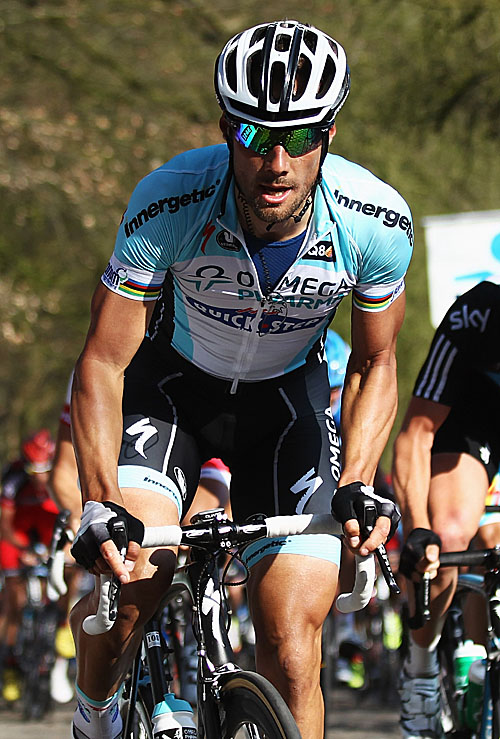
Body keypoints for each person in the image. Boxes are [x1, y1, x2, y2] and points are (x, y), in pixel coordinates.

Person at [69, 19, 412, 739]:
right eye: (256, 137)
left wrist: (361, 475)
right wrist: (100, 501)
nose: (277, 161)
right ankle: (95, 710)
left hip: (286, 407)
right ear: (227, 130)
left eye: (302, 136)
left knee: (291, 645)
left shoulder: (376, 223)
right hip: (171, 396)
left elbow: (378, 362)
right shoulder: (170, 201)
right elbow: (102, 362)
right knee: (132, 589)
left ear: (332, 132)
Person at [392, 280, 500, 739]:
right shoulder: (476, 314)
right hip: (469, 427)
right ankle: (420, 669)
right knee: (454, 537)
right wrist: (418, 528)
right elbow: (416, 433)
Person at [0, 429, 58, 702]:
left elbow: (72, 514)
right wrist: (22, 551)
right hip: (17, 529)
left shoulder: (62, 474)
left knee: (65, 569)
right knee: (14, 598)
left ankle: (60, 626)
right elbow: (5, 525)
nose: (40, 478)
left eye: (44, 471)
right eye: (34, 472)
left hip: (47, 525)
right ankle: (10, 660)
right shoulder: (13, 479)